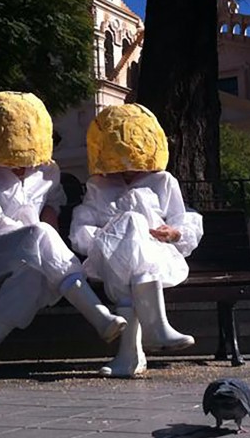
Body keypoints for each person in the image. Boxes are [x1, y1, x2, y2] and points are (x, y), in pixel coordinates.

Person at [0, 91, 127, 378]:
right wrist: (38, 237)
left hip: (33, 258)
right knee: (37, 235)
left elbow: (52, 207)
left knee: (32, 279)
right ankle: (98, 315)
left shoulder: (48, 171)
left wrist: (45, 242)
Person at [70, 103, 203, 378]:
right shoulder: (98, 186)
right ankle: (156, 327)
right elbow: (81, 229)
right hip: (107, 260)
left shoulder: (162, 181)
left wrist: (174, 233)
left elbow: (183, 219)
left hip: (157, 257)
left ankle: (129, 356)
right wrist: (109, 238)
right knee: (131, 221)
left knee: (137, 239)